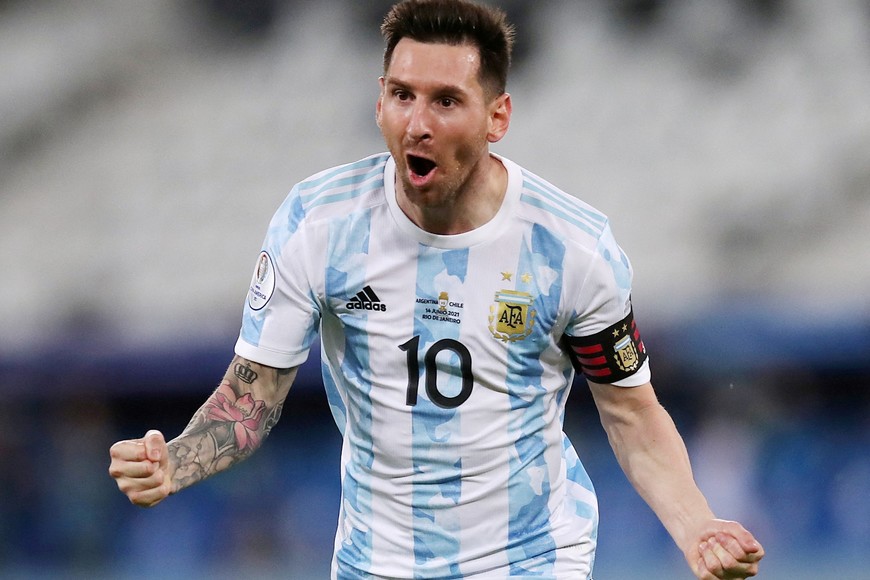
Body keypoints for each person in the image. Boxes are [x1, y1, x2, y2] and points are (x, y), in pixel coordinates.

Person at [109, 1, 765, 578]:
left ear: (497, 116)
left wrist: (696, 526)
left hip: (531, 557)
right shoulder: (319, 225)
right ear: (379, 102)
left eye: (446, 101)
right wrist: (176, 462)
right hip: (376, 561)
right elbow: (250, 402)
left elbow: (631, 416)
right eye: (403, 95)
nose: (416, 123)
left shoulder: (572, 249)